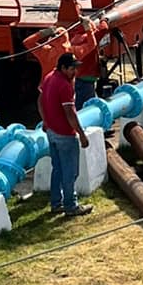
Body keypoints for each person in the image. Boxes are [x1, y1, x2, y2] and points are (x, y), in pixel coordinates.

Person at [37, 52, 93, 217]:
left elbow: (40, 101)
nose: (75, 72)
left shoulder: (49, 77)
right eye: (72, 69)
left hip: (51, 132)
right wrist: (81, 134)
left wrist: (45, 121)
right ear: (63, 68)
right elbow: (70, 113)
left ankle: (56, 203)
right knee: (70, 171)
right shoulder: (64, 85)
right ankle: (71, 205)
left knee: (58, 169)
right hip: (64, 135)